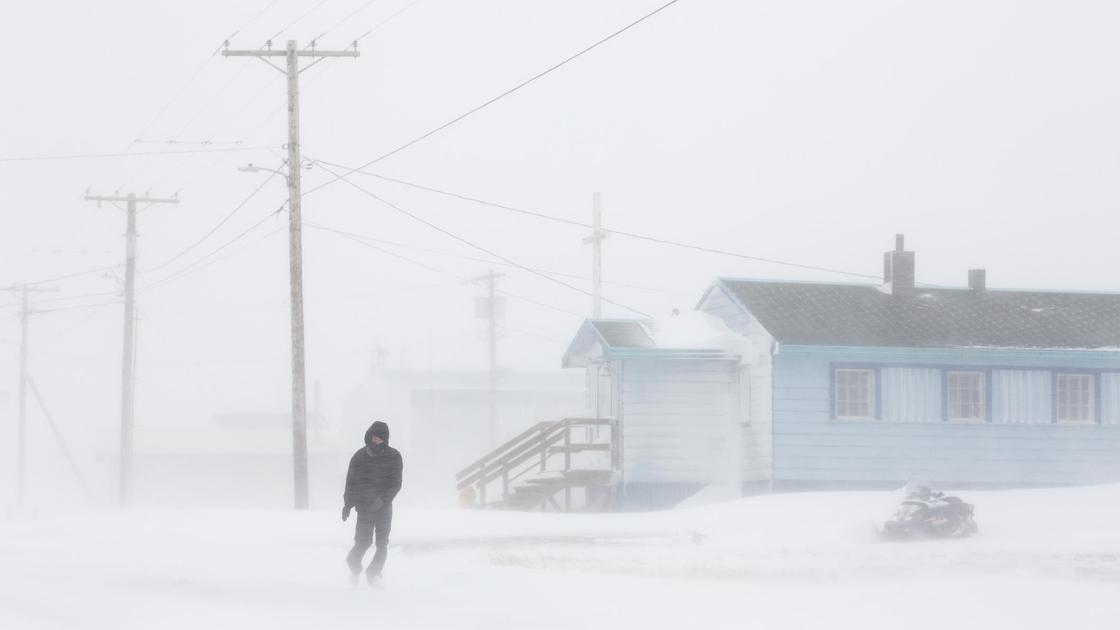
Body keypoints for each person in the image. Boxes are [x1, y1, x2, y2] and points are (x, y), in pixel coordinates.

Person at [342, 420, 403, 585]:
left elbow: (396, 484)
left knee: (382, 543)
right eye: (374, 438)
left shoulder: (394, 457)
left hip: (384, 507)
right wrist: (348, 503)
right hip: (364, 507)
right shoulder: (359, 457)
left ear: (385, 440)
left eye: (379, 439)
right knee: (363, 541)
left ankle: (374, 573)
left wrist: (382, 499)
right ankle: (353, 564)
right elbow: (351, 482)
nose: (376, 441)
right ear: (369, 437)